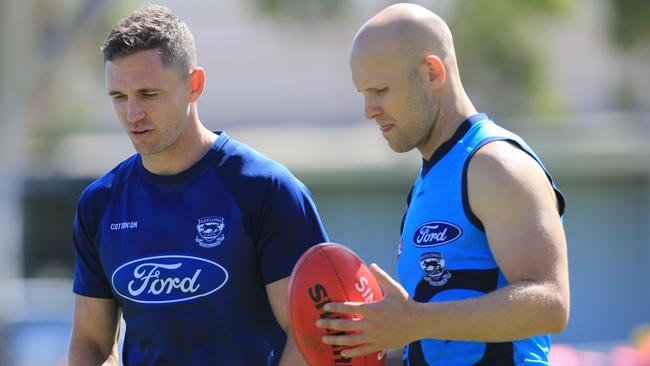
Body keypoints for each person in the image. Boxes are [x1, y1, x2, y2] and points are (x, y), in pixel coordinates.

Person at [67, 5, 326, 365]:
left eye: (148, 94)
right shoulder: (100, 204)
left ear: (195, 85)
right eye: (119, 97)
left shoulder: (266, 190)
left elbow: (310, 336)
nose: (132, 114)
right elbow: (91, 342)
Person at [316, 3, 569, 365]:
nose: (369, 110)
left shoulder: (494, 164)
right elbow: (433, 338)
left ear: (432, 72)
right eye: (364, 94)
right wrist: (367, 338)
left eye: (381, 90)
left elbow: (550, 304)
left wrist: (413, 321)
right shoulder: (429, 179)